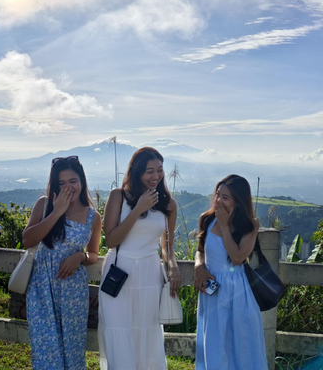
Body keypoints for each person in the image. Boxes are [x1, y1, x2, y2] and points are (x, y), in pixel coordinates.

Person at [98, 147, 181, 370]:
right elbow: (112, 240)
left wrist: (172, 267)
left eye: (160, 170)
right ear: (136, 173)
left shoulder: (168, 205)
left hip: (149, 273)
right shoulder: (118, 196)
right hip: (119, 271)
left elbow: (168, 247)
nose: (155, 176)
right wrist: (138, 209)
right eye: (149, 171)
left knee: (147, 333)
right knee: (119, 332)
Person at [22, 155, 102, 369]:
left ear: (82, 181)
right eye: (62, 183)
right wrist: (57, 211)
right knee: (46, 351)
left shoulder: (93, 217)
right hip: (42, 286)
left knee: (73, 351)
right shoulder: (45, 204)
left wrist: (81, 257)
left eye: (73, 181)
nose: (68, 187)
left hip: (72, 290)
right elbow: (27, 240)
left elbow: (94, 253)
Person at [194, 174, 266, 369]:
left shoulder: (249, 224)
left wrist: (225, 226)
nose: (218, 200)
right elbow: (200, 251)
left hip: (238, 289)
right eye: (218, 195)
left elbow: (237, 258)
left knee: (241, 344)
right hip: (212, 290)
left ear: (239, 202)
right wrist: (199, 266)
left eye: (225, 197)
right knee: (215, 344)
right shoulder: (207, 219)